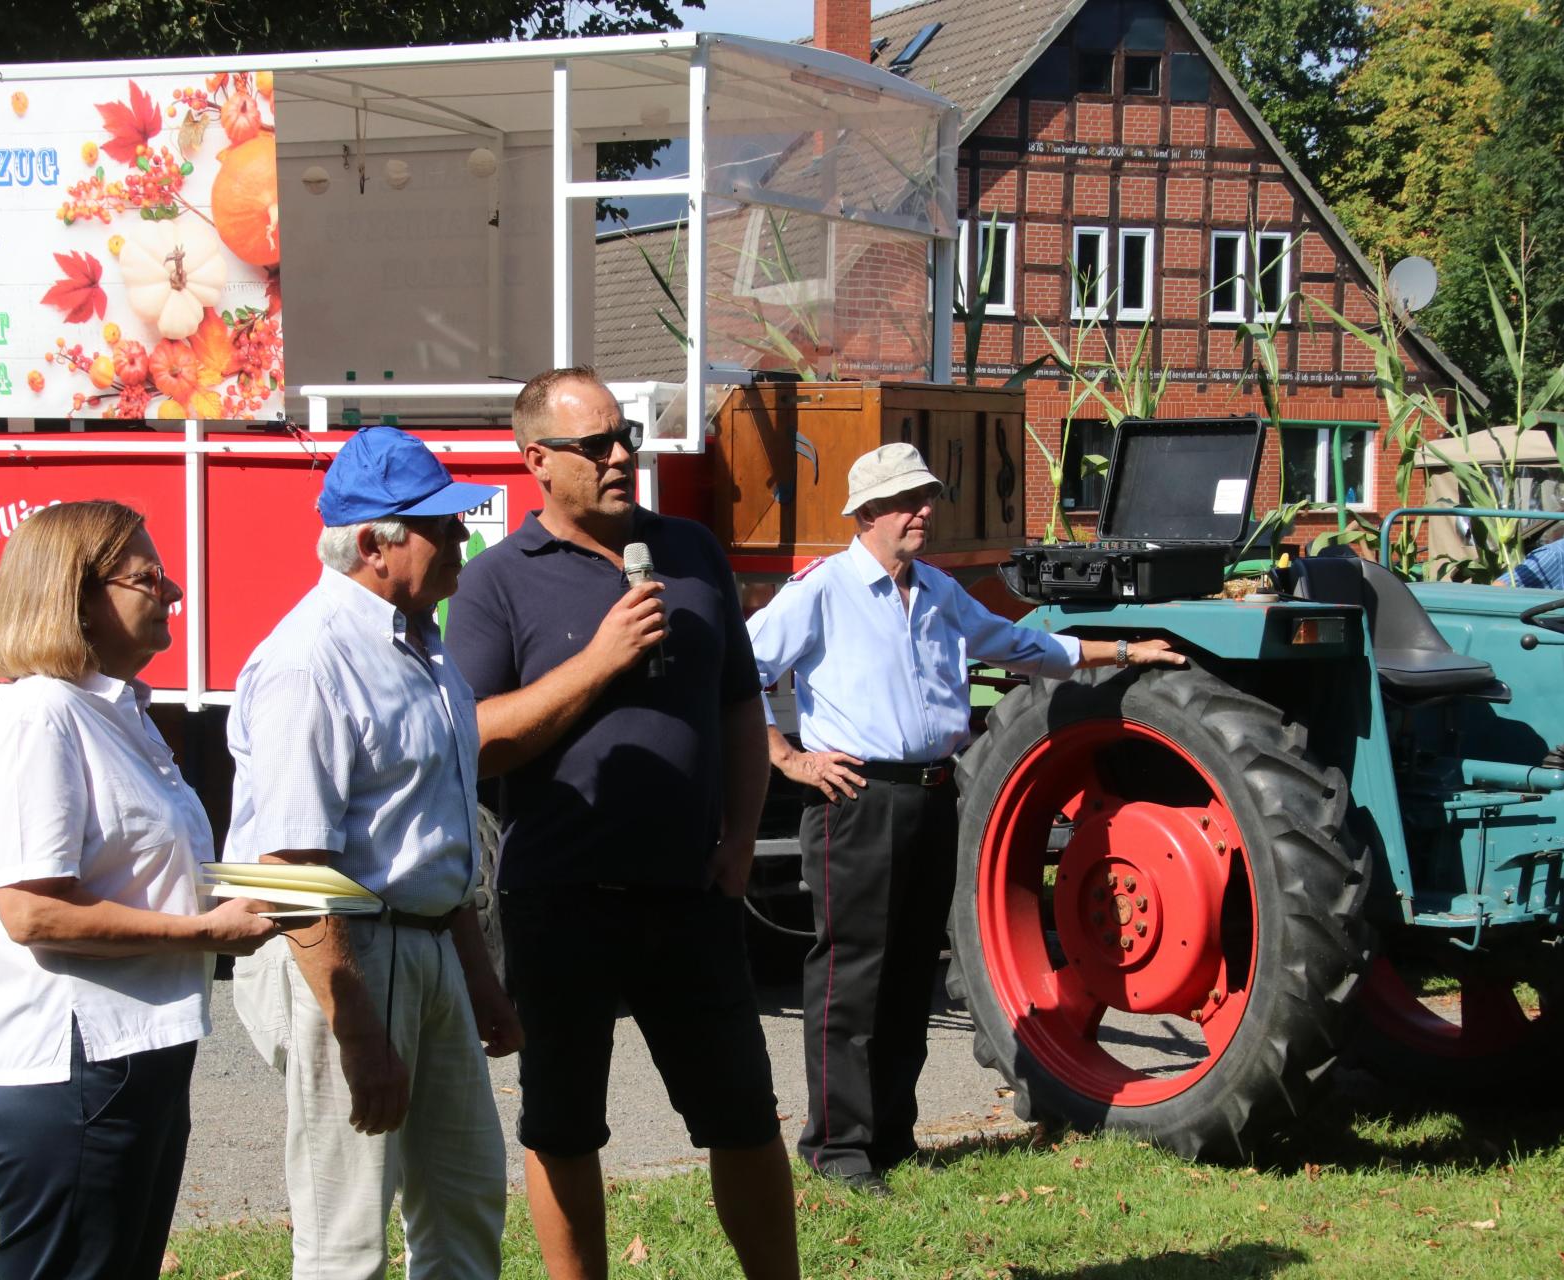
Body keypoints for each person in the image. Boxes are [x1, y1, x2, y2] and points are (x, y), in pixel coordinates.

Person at [746, 443, 1186, 1194]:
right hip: (855, 799)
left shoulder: (938, 591)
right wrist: (787, 758)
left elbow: (1023, 646)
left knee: (912, 971)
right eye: (908, 499)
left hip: (929, 794)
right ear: (868, 513)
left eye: (927, 497)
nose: (924, 510)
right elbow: (739, 671)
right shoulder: (820, 591)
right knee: (851, 981)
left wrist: (1122, 650)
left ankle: (890, 1136)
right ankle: (835, 1151)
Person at [445, 367, 798, 1280]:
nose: (618, 457)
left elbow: (736, 709)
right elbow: (473, 741)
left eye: (623, 438)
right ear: (536, 463)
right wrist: (601, 661)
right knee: (562, 1124)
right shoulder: (495, 584)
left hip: (691, 891)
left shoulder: (690, 552)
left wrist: (739, 837)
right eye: (593, 445)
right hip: (560, 897)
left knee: (744, 1116)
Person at [0, 500, 279, 1280]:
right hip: (77, 1069)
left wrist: (266, 886)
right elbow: (33, 910)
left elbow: (141, 873)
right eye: (149, 578)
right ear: (79, 595)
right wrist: (209, 935)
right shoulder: (42, 716)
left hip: (138, 1055)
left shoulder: (116, 714)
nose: (172, 594)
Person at [226, 427, 517, 1280]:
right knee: (345, 1235)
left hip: (424, 946)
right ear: (372, 545)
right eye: (440, 525)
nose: (462, 538)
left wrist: (479, 975)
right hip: (349, 955)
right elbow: (281, 866)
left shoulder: (422, 647)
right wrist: (355, 1029)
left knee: (464, 1205)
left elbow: (430, 833)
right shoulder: (310, 658)